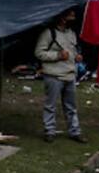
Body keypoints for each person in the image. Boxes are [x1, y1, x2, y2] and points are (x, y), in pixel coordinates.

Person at [34, 8, 85, 143]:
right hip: (53, 75)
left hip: (70, 74)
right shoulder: (48, 33)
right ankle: (49, 131)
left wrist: (76, 57)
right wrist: (57, 56)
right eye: (71, 16)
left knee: (71, 106)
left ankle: (75, 131)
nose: (73, 19)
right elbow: (39, 52)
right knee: (50, 105)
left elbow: (72, 51)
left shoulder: (72, 33)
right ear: (62, 17)